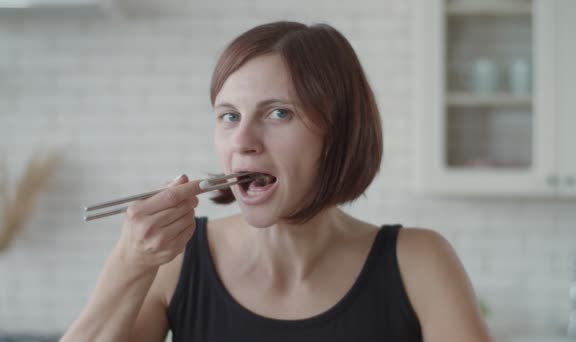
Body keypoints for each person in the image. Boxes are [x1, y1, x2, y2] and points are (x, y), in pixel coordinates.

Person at [61, 21, 492, 341]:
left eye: (278, 113)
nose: (243, 141)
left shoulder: (419, 262)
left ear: (337, 133)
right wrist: (130, 263)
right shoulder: (176, 261)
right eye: (229, 116)